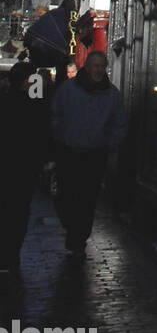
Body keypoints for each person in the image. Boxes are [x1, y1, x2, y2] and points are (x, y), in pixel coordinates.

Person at [50, 50, 126, 256]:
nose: (99, 70)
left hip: (95, 154)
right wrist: (60, 137)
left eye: (102, 66)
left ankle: (79, 237)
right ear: (87, 67)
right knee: (66, 194)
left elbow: (119, 124)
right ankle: (72, 227)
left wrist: (109, 143)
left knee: (88, 198)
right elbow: (55, 114)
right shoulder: (69, 89)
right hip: (69, 151)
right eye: (95, 66)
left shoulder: (112, 95)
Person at [0, 63, 51, 271]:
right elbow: (43, 130)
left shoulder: (8, 100)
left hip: (11, 164)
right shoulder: (35, 103)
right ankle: (11, 253)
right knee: (19, 210)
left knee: (10, 209)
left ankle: (7, 253)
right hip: (25, 165)